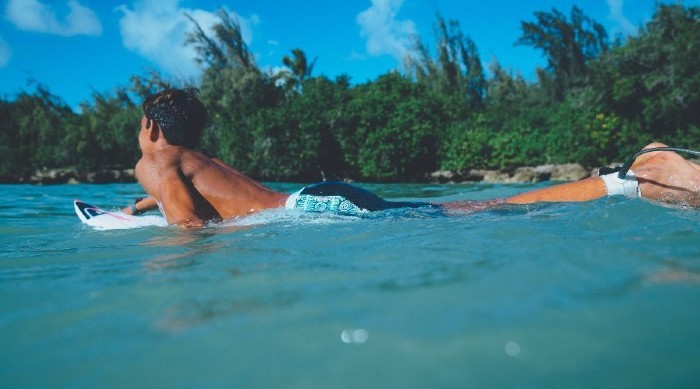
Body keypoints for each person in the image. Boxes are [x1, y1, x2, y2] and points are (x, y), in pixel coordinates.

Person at [125, 88, 700, 228]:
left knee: (471, 210)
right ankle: (628, 182)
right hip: (322, 197)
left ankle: (632, 175)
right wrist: (146, 203)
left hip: (316, 212)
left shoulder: (155, 160)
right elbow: (202, 194)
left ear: (149, 127)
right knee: (458, 208)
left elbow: (190, 231)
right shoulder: (186, 161)